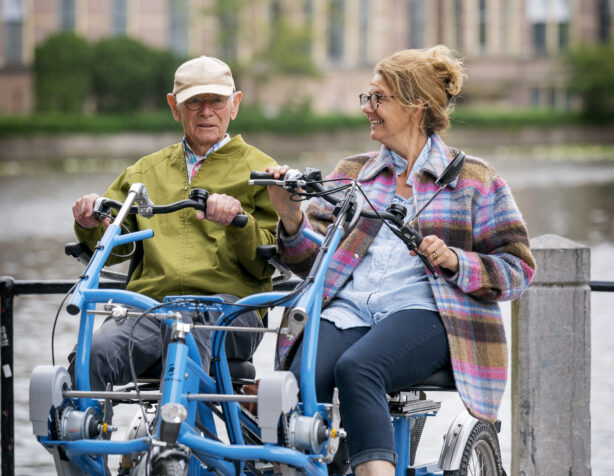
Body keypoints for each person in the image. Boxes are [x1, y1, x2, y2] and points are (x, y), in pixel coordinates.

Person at [267, 45, 536, 476]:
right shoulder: (352, 174)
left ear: (415, 107)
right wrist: (290, 216)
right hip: (349, 310)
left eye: (378, 98)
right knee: (302, 376)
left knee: (358, 369)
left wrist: (454, 260)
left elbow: (518, 269)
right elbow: (309, 264)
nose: (367, 109)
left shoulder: (475, 180)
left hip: (429, 313)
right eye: (367, 98)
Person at [70, 55, 278, 390]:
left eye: (217, 100)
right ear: (174, 106)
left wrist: (238, 222)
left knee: (186, 344)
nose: (206, 111)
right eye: (194, 101)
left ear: (235, 104)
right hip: (150, 309)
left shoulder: (264, 172)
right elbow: (113, 251)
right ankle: (85, 436)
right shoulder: (143, 172)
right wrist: (89, 221)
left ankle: (185, 440)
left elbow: (266, 263)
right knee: (92, 354)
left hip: (228, 311)